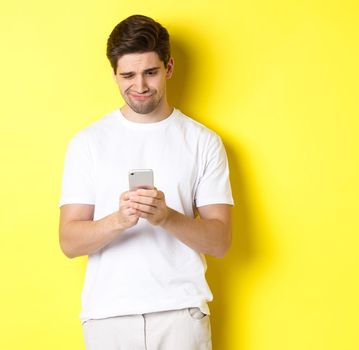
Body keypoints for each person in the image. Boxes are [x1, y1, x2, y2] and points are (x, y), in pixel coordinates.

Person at [58, 14, 233, 350]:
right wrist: (118, 220)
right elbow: (69, 241)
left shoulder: (202, 141)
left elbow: (220, 240)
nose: (139, 86)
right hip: (108, 317)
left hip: (181, 314)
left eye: (150, 72)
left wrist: (166, 217)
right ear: (113, 74)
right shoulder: (88, 143)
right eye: (128, 75)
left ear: (168, 68)